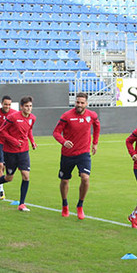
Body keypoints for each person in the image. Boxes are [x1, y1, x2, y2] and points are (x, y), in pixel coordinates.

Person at [52, 92, 100, 220]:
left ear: (86, 104)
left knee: (85, 178)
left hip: (83, 153)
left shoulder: (92, 115)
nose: (79, 105)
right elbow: (56, 133)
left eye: (82, 103)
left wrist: (95, 143)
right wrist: (64, 141)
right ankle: (65, 204)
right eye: (77, 102)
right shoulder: (66, 116)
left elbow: (97, 127)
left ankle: (80, 205)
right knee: (64, 180)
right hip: (67, 154)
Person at [0, 96, 37, 211]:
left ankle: (22, 204)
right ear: (21, 107)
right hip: (10, 151)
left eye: (30, 106)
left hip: (24, 151)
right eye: (26, 106)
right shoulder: (13, 117)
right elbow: (1, 130)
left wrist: (32, 142)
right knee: (9, 177)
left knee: (26, 176)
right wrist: (14, 141)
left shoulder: (32, 118)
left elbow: (29, 131)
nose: (29, 108)